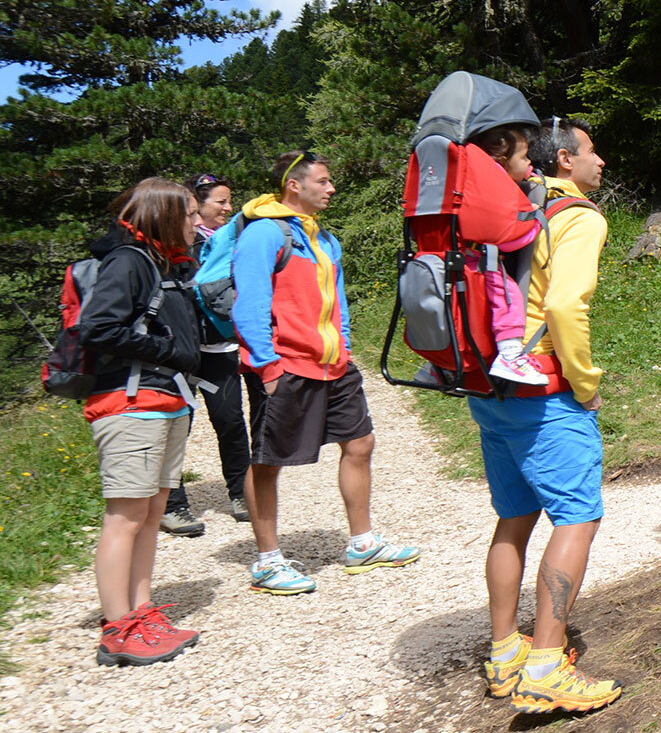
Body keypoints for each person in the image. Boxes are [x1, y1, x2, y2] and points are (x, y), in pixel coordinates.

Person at [467, 117, 623, 715]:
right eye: (591, 151)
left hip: (491, 386)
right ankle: (546, 666)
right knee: (577, 518)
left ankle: (505, 651)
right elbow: (562, 304)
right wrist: (585, 385)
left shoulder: (507, 207)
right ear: (564, 159)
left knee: (514, 517)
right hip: (545, 391)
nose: (600, 161)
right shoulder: (578, 216)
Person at [232, 151, 420, 595]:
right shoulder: (264, 234)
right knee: (267, 461)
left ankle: (362, 543)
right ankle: (266, 561)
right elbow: (249, 304)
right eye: (323, 181)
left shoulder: (323, 238)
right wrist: (266, 364)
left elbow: (337, 300)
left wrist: (346, 346)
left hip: (333, 364)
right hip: (284, 366)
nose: (331, 188)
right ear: (293, 186)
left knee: (360, 443)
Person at [79, 178, 206, 665]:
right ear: (165, 215)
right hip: (130, 405)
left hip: (163, 402)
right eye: (190, 214)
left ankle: (141, 611)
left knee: (151, 514)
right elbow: (99, 328)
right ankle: (118, 629)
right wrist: (168, 352)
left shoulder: (159, 262)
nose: (197, 223)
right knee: (126, 516)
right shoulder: (129, 261)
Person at [160, 174, 252, 533]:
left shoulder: (231, 243)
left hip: (218, 351)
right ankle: (172, 504)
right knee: (174, 429)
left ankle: (241, 492)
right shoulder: (175, 245)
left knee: (229, 422)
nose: (227, 208)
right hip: (179, 357)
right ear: (197, 206)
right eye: (221, 202)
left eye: (230, 202)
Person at [467, 125, 546, 386]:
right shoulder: (497, 188)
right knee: (509, 300)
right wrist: (534, 217)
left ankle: (438, 367)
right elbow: (511, 240)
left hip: (456, 261)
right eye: (523, 157)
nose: (529, 162)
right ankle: (510, 355)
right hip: (484, 263)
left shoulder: (472, 182)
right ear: (500, 162)